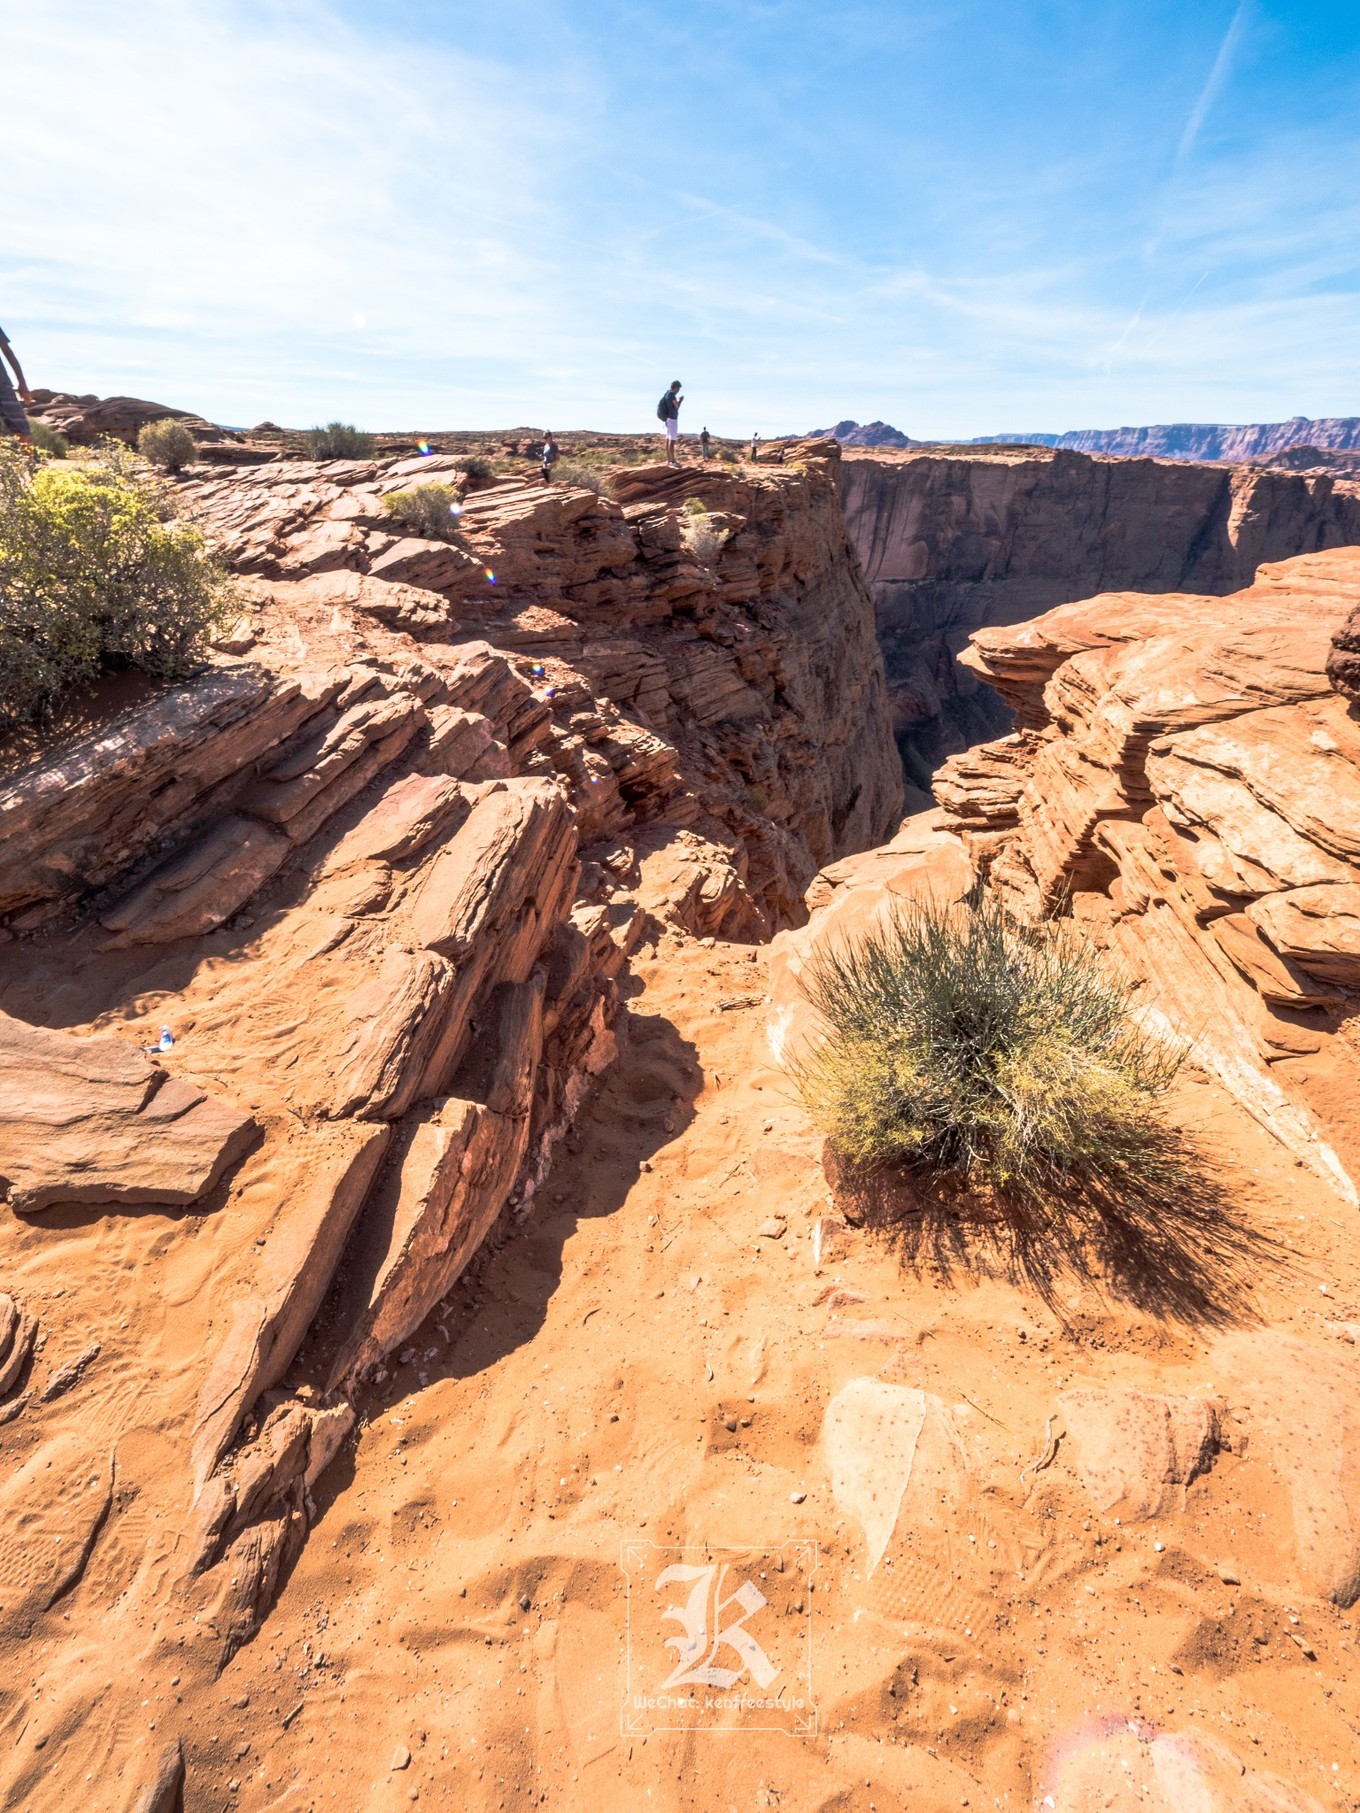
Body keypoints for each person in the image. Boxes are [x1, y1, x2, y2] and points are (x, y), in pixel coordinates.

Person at [0, 323, 33, 448]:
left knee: (21, 428)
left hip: (2, 385)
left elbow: (8, 353)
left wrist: (22, 383)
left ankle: (28, 464)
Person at [656, 380, 683, 466]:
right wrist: (680, 400)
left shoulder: (667, 393)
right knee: (672, 441)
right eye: (678, 388)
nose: (678, 390)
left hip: (668, 420)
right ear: (676, 387)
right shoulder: (671, 395)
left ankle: (669, 460)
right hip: (672, 420)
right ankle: (673, 461)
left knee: (668, 440)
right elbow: (677, 406)